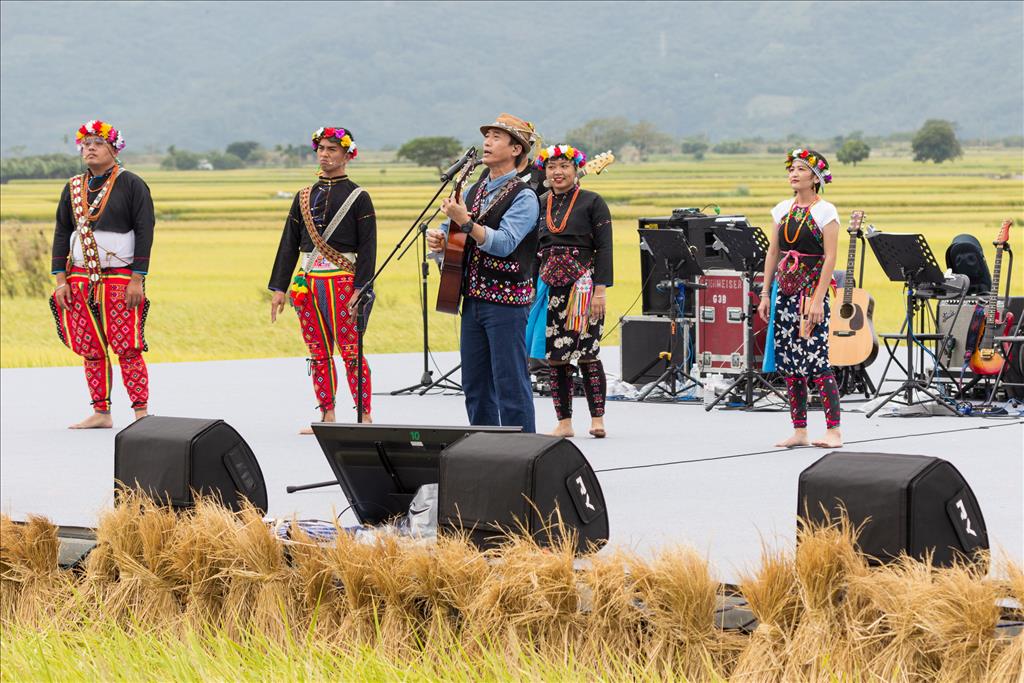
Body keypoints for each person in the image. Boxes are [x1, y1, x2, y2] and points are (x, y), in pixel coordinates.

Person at [426, 114, 541, 432]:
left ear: (516, 148)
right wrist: (441, 241)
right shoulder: (475, 188)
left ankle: (522, 456)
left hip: (506, 304)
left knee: (510, 384)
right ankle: (484, 451)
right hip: (473, 300)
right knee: (475, 385)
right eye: (487, 136)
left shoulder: (525, 196)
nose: (487, 143)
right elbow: (459, 237)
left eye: (496, 137)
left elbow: (503, 243)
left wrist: (464, 223)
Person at [269, 127, 376, 431]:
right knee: (317, 352)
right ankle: (327, 414)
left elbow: (368, 247)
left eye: (332, 149)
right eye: (321, 149)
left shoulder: (359, 197)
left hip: (342, 282)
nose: (325, 154)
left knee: (351, 350)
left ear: (346, 154)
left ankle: (364, 415)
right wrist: (279, 287)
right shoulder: (304, 195)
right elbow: (289, 243)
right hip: (306, 282)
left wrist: (362, 288)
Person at [50, 120, 155, 429]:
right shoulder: (73, 187)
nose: (90, 148)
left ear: (114, 148)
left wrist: (138, 277)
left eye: (97, 143)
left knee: (127, 346)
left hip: (121, 277)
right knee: (90, 347)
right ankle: (101, 412)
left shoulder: (132, 183)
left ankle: (141, 412)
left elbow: (145, 230)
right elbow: (61, 232)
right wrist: (60, 279)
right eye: (86, 144)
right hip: (80, 278)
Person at [526, 145, 613, 438]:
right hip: (549, 287)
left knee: (588, 352)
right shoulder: (539, 203)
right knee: (555, 356)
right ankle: (564, 422)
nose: (557, 172)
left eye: (563, 166)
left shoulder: (592, 201)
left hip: (584, 289)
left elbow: (605, 248)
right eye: (551, 167)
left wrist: (600, 291)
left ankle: (597, 418)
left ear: (576, 170)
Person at [757, 148, 842, 448]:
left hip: (810, 294)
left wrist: (819, 299)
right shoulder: (781, 210)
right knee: (789, 363)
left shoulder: (825, 212)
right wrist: (766, 293)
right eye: (791, 169)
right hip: (786, 292)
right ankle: (800, 429)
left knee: (817, 360)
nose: (793, 174)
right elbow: (773, 252)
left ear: (815, 178)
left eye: (801, 170)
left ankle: (834, 430)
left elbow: (830, 257)